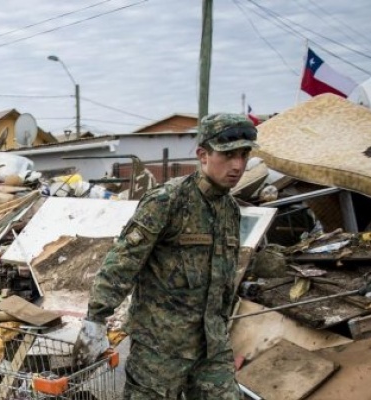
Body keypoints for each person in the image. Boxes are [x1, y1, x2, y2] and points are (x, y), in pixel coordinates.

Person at [74, 113, 257, 399]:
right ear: (203, 155)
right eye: (228, 154)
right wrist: (96, 318)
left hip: (211, 347)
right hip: (160, 351)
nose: (237, 165)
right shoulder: (168, 201)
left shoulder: (230, 211)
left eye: (244, 155)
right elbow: (123, 261)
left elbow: (222, 275)